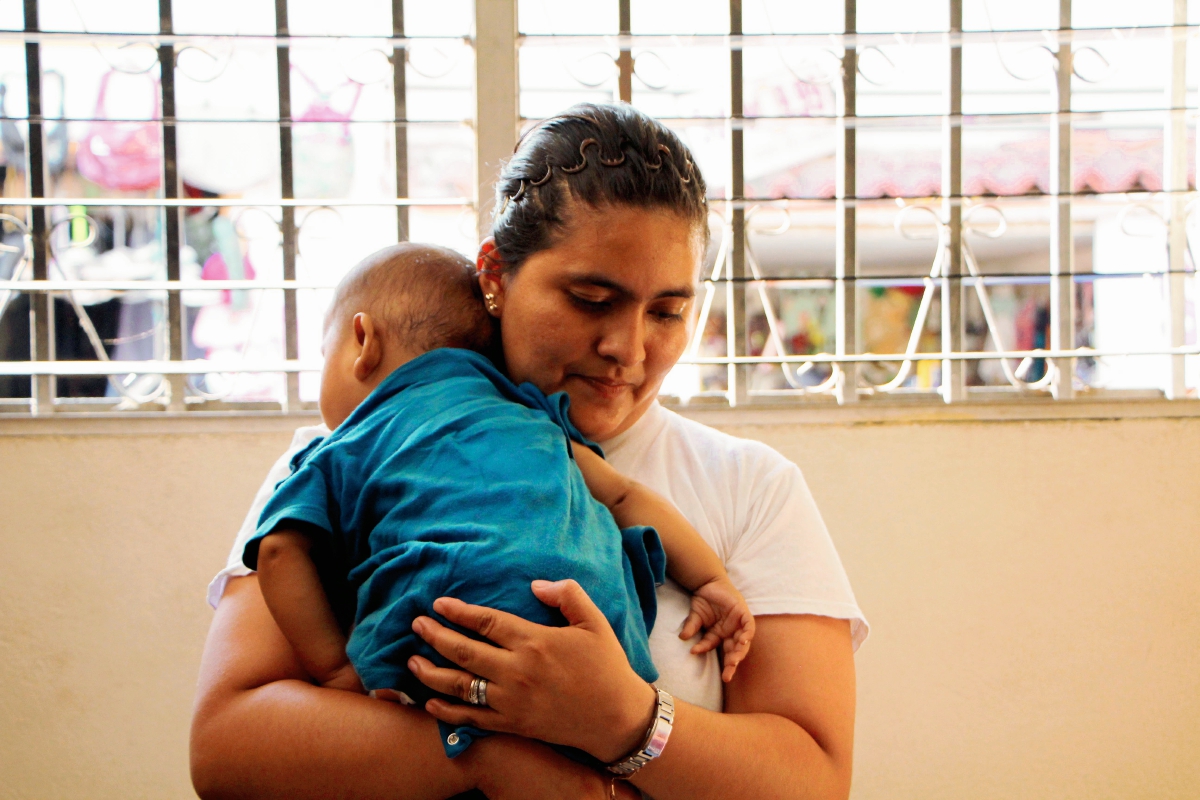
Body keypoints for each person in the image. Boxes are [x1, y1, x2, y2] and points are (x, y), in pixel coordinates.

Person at [192, 102, 867, 800]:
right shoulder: (349, 456)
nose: (628, 350)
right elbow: (228, 748)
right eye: (590, 298)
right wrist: (479, 750)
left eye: (666, 312)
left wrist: (626, 721)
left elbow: (812, 780)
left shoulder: (748, 487)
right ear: (494, 274)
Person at [247, 242, 755, 759]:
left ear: (362, 342)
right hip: (601, 642)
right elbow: (624, 495)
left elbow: (279, 553)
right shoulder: (530, 414)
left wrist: (335, 671)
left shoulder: (341, 448)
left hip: (445, 636)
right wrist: (711, 580)